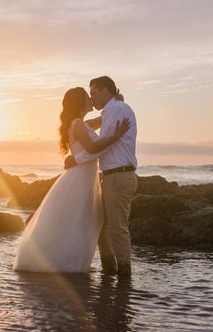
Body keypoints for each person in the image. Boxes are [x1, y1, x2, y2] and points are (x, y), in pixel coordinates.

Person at [13, 87, 130, 273]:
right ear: (80, 103)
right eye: (87, 97)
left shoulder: (80, 123)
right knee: (77, 219)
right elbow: (92, 148)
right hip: (80, 177)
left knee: (79, 219)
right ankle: (66, 262)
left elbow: (100, 121)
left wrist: (115, 102)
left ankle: (73, 260)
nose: (91, 99)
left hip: (83, 175)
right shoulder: (77, 124)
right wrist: (116, 136)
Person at [64, 76, 138, 277]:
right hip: (110, 176)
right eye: (89, 95)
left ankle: (124, 277)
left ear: (105, 91)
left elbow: (102, 145)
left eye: (94, 93)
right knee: (102, 227)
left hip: (119, 176)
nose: (92, 98)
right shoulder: (111, 111)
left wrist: (77, 158)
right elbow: (92, 136)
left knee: (117, 229)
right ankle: (109, 270)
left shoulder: (115, 110)